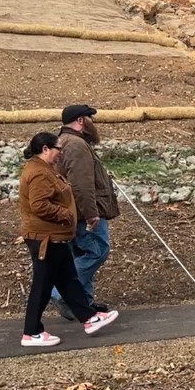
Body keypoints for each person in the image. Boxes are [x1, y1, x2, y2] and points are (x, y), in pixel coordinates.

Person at [18, 132, 119, 346]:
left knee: (68, 279)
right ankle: (31, 332)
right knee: (42, 285)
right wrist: (67, 215)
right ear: (45, 149)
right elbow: (39, 205)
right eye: (58, 149)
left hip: (55, 237)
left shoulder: (45, 170)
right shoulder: (39, 173)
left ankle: (89, 318)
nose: (60, 153)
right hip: (45, 238)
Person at [50, 104, 121, 320]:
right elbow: (81, 185)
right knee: (97, 250)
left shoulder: (62, 142)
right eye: (90, 118)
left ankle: (83, 303)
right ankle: (60, 292)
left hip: (70, 211)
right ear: (81, 120)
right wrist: (91, 213)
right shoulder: (77, 145)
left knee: (80, 254)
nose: (93, 123)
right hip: (82, 212)